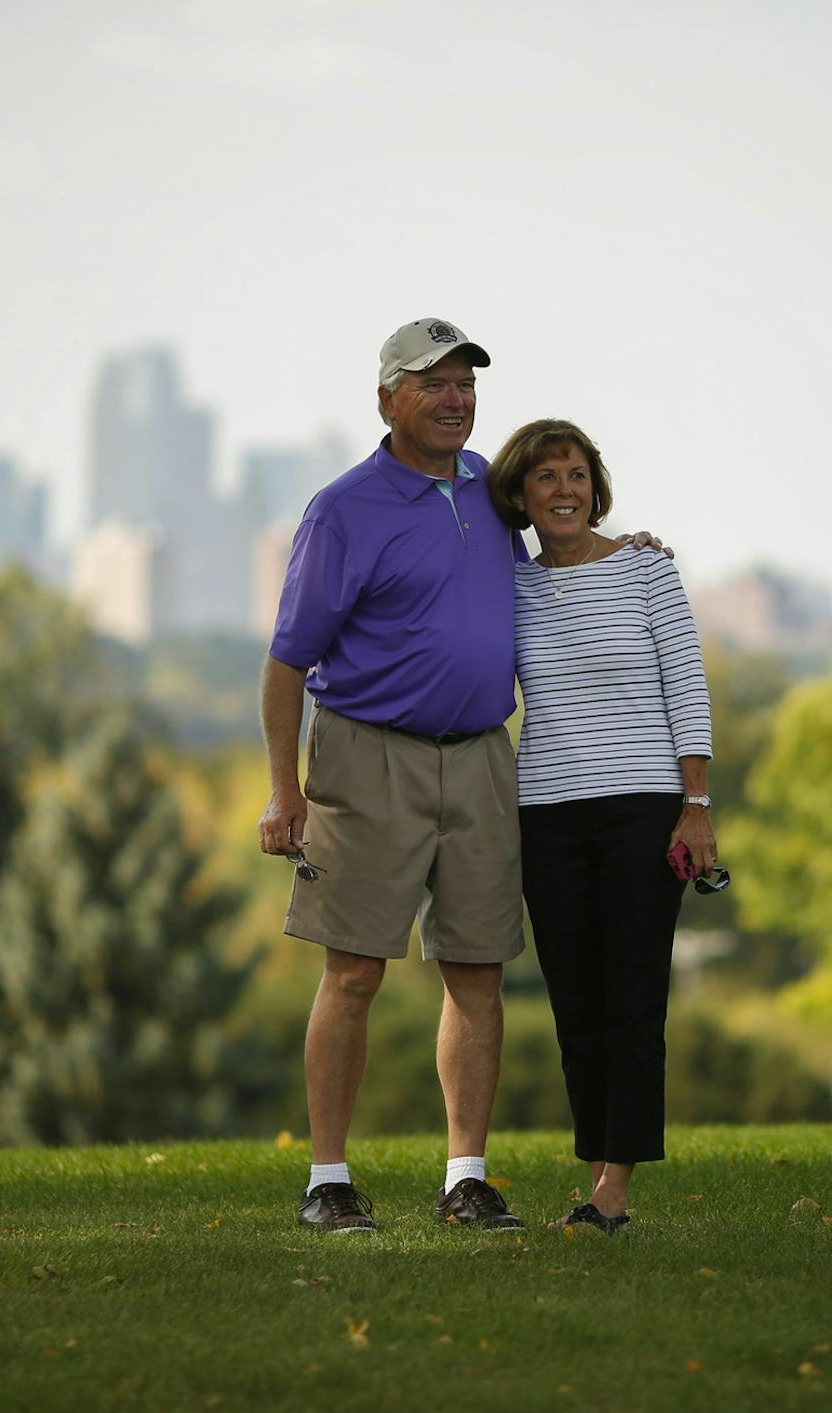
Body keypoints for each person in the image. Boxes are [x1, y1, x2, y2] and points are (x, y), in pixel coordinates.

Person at [260, 317, 529, 1235]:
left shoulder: (496, 489)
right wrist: (283, 790)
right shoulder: (343, 509)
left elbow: (557, 564)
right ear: (386, 399)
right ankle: (327, 1180)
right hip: (367, 753)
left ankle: (467, 1178)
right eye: (432, 382)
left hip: (484, 755)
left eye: (466, 383)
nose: (455, 398)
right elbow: (287, 661)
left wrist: (629, 554)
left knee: (478, 971)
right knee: (353, 973)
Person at [485, 417, 717, 1236]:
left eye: (577, 474)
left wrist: (697, 805)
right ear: (519, 495)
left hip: (644, 809)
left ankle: (614, 1188)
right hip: (546, 812)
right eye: (545, 477)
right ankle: (597, 1182)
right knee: (575, 1006)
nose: (564, 490)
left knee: (631, 999)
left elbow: (687, 690)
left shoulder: (648, 572)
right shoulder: (507, 587)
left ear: (597, 487)